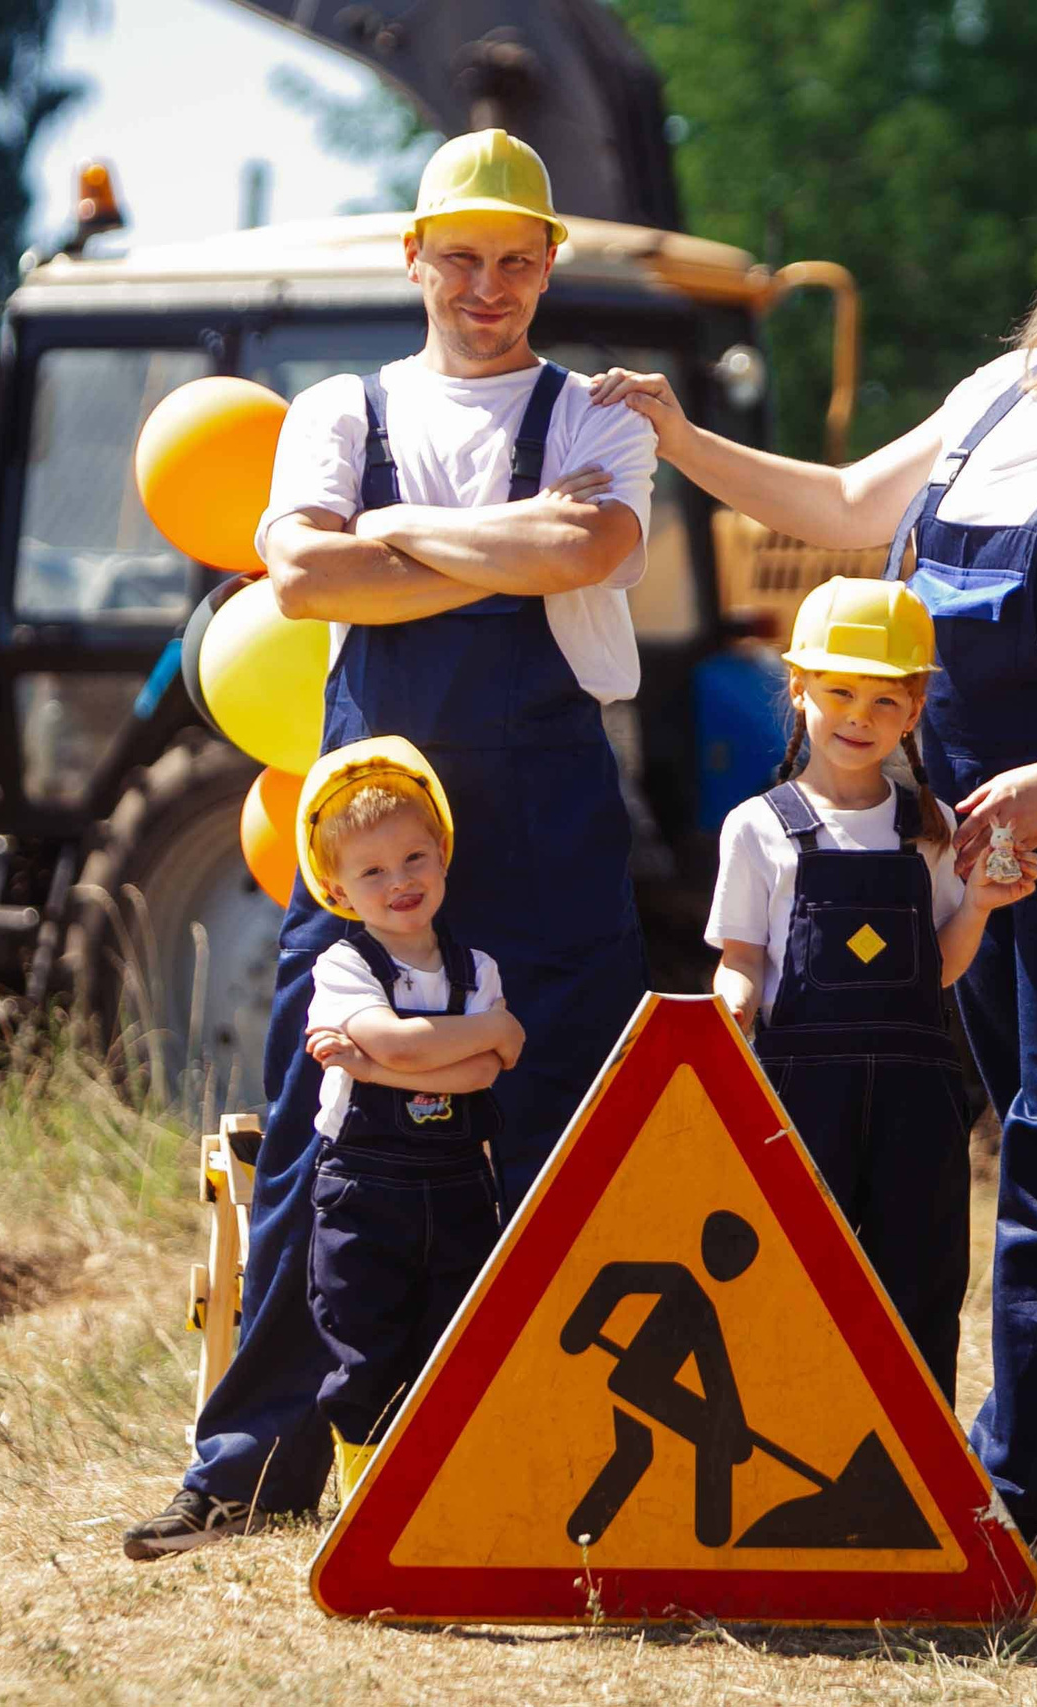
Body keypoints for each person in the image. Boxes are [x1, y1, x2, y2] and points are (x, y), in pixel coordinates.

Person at [592, 134, 1037, 1594]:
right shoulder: (1001, 397)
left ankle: (1002, 1498)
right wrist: (679, 437)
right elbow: (846, 507)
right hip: (969, 838)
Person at [125, 129, 657, 1558]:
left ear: (549, 263)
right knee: (325, 1122)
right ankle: (252, 1467)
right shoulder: (337, 407)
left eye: (515, 260)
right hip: (366, 828)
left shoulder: (601, 415)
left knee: (561, 1125)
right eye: (460, 256)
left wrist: (400, 534)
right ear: (413, 256)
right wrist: (501, 540)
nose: (488, 286)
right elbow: (303, 573)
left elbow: (584, 555)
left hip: (548, 825)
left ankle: (560, 1456)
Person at [705, 576, 1035, 1401]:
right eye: (839, 692)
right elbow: (742, 956)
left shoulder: (933, 827)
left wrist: (981, 905)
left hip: (915, 1104)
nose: (859, 716)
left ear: (914, 710)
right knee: (788, 1276)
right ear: (799, 688)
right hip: (798, 1098)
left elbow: (939, 971)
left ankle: (912, 1457)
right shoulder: (757, 826)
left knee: (919, 1287)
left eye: (885, 699)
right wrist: (732, 1003)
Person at [290, 737, 521, 1504]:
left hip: (458, 1187)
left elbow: (483, 1072)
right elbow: (410, 1042)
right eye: (373, 871)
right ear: (338, 889)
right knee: (365, 1347)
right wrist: (480, 1032)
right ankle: (366, 1502)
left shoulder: (476, 967)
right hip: (365, 1192)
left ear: (443, 855)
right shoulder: (343, 967)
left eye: (414, 858)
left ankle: (445, 1499)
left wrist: (370, 1065)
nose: (400, 881)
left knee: (452, 1343)